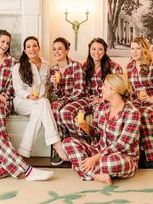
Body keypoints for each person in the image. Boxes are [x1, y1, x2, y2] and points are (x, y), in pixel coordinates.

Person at [63, 73, 141, 184]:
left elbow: (122, 145)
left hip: (123, 157)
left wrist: (94, 159)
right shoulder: (102, 107)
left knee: (113, 162)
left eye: (104, 85)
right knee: (67, 142)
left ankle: (82, 168)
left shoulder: (132, 113)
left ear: (113, 89)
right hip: (99, 150)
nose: (101, 88)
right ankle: (95, 175)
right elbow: (95, 133)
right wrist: (85, 127)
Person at [12, 36, 68, 161]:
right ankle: (56, 144)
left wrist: (54, 83)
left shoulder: (46, 66)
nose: (32, 49)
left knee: (39, 109)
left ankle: (23, 153)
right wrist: (28, 95)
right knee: (43, 102)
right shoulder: (18, 67)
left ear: (39, 48)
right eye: (28, 46)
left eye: (34, 45)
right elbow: (18, 89)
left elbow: (48, 86)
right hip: (22, 102)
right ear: (25, 50)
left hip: (39, 103)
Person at [49, 37, 89, 166]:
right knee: (53, 109)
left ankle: (80, 143)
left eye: (60, 48)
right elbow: (57, 95)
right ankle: (59, 146)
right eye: (54, 49)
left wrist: (64, 101)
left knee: (65, 112)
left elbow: (79, 91)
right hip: (64, 100)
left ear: (67, 50)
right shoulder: (53, 70)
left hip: (80, 99)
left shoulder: (75, 66)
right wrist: (55, 86)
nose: (56, 51)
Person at [127, 36, 153, 168]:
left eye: (138, 48)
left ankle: (150, 157)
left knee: (143, 114)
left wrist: (150, 99)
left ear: (144, 50)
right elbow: (131, 90)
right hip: (138, 101)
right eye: (132, 48)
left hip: (151, 102)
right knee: (129, 114)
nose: (135, 51)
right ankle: (135, 154)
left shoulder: (151, 65)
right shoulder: (130, 66)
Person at [83, 38, 122, 109]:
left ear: (104, 51)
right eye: (93, 49)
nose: (96, 52)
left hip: (108, 101)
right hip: (90, 100)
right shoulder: (85, 67)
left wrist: (101, 99)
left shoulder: (114, 67)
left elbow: (119, 91)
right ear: (89, 50)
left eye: (100, 49)